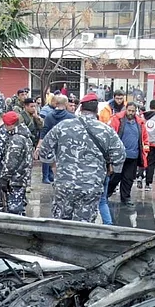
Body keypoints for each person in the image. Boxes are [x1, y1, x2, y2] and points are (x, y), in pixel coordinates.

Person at [39, 92, 126, 222]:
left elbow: (44, 149)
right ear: (96, 109)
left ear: (81, 108)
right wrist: (111, 170)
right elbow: (120, 155)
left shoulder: (63, 126)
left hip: (64, 184)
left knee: (60, 225)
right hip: (90, 187)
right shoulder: (106, 130)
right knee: (84, 228)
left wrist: (53, 166)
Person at [108, 101, 148, 204]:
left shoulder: (140, 123)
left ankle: (125, 198)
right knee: (115, 177)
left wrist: (145, 152)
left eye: (133, 111)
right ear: (126, 109)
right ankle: (106, 195)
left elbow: (144, 138)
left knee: (128, 179)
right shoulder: (117, 120)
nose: (131, 113)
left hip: (133, 156)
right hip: (119, 156)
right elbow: (111, 135)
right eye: (129, 110)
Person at [0, 111, 33, 216]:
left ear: (10, 125)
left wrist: (4, 178)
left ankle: (17, 231)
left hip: (15, 180)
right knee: (19, 205)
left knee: (14, 210)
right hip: (22, 178)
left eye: (6, 125)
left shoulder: (16, 139)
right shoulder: (25, 135)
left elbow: (11, 162)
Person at [37, 94, 73, 185]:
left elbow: (44, 131)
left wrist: (39, 146)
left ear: (56, 103)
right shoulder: (71, 117)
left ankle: (46, 177)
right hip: (65, 146)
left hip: (51, 144)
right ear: (66, 103)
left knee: (48, 160)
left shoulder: (49, 116)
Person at [140, 99, 155, 190]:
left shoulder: (142, 117)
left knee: (143, 161)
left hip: (144, 143)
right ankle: (148, 184)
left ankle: (139, 176)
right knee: (151, 164)